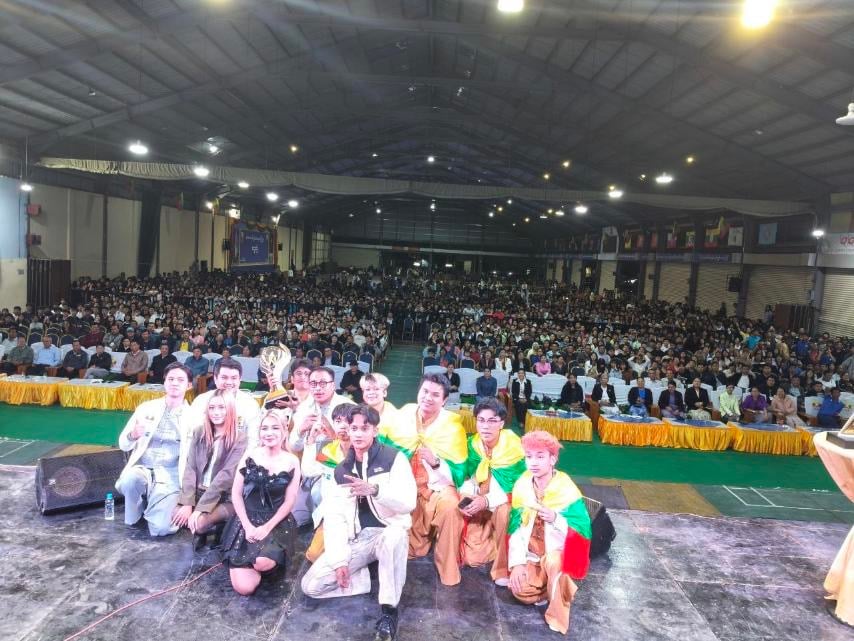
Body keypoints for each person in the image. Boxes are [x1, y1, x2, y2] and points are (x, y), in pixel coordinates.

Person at [301, 405, 417, 641]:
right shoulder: (342, 470)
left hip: (389, 531)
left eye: (365, 428)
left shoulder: (393, 458)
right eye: (354, 428)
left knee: (393, 537)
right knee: (311, 586)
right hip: (360, 538)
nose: (358, 433)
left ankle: (389, 610)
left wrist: (375, 490)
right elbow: (335, 517)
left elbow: (408, 503)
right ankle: (364, 577)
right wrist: (340, 561)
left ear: (375, 431)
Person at [380, 373, 467, 586]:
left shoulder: (452, 425)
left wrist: (436, 463)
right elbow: (384, 446)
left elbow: (458, 471)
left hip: (438, 485)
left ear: (444, 400)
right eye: (425, 391)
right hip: (405, 483)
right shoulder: (403, 415)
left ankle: (448, 568)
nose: (428, 397)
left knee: (451, 507)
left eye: (435, 395)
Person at [506, 431, 591, 635]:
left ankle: (557, 617)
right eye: (529, 456)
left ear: (553, 459)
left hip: (556, 552)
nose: (533, 462)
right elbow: (515, 529)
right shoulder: (522, 485)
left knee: (554, 562)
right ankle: (555, 586)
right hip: (532, 554)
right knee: (520, 592)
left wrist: (555, 519)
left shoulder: (566, 489)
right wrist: (517, 563)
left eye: (540, 456)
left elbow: (582, 528)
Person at [221, 410, 300, 595]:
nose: (269, 433)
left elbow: (290, 501)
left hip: (276, 522)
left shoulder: (292, 460)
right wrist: (247, 526)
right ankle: (247, 561)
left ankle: (264, 560)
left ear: (284, 431)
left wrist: (266, 528)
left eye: (275, 428)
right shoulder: (250, 456)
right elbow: (236, 494)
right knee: (245, 589)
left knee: (262, 563)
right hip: (246, 519)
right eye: (264, 428)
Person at [115, 362, 194, 536]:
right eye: (170, 379)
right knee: (130, 479)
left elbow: (196, 462)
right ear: (164, 382)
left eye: (180, 380)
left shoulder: (195, 417)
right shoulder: (146, 408)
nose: (174, 383)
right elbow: (123, 444)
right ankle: (138, 508)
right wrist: (133, 435)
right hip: (143, 469)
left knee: (160, 529)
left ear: (189, 386)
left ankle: (157, 502)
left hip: (171, 476)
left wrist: (188, 501)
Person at [459, 398, 525, 586]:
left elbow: (519, 490)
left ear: (501, 423)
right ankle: (494, 540)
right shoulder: (473, 445)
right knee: (472, 558)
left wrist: (487, 501)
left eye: (492, 421)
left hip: (506, 504)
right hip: (480, 505)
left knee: (505, 512)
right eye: (481, 420)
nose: (485, 426)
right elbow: (467, 476)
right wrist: (468, 496)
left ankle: (503, 568)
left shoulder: (515, 448)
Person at [175, 390, 247, 549]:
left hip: (225, 497)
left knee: (199, 523)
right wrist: (187, 503)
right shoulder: (199, 432)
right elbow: (190, 467)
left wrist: (200, 508)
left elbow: (226, 476)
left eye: (221, 407)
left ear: (230, 409)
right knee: (176, 515)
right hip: (200, 491)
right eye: (212, 408)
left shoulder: (240, 438)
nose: (216, 412)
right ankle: (206, 528)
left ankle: (218, 526)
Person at [301, 404, 354, 562]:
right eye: (338, 421)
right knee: (314, 555)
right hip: (333, 513)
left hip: (359, 514)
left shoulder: (364, 449)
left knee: (351, 555)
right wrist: (311, 440)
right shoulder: (327, 450)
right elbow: (309, 471)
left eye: (348, 422)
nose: (343, 426)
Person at [190, 357, 262, 448]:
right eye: (224, 377)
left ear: (240, 380)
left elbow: (253, 440)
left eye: (234, 378)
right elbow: (192, 435)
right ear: (215, 379)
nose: (229, 382)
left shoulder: (250, 404)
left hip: (240, 454)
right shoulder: (201, 401)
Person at [290, 366, 354, 454]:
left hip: (339, 461)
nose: (318, 388)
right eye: (313, 383)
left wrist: (332, 433)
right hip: (310, 461)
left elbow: (358, 446)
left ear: (333, 385)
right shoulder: (304, 408)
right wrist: (301, 431)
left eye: (323, 383)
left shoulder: (349, 408)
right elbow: (294, 447)